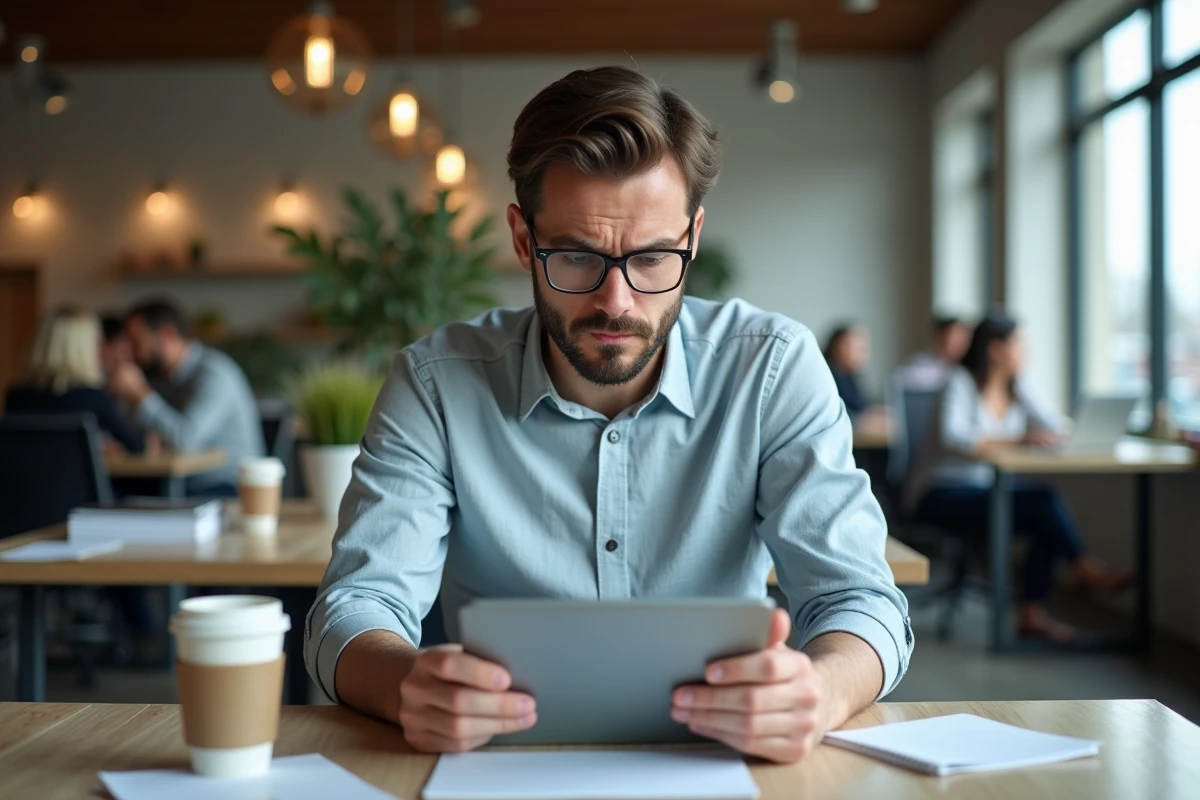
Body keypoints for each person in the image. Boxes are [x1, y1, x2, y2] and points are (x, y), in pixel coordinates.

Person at [306, 66, 912, 765]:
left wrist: (822, 690)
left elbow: (861, 601)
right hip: (495, 767)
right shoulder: (437, 383)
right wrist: (405, 683)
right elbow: (353, 610)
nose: (617, 302)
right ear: (524, 240)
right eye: (577, 256)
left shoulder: (771, 369)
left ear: (692, 235)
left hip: (724, 764)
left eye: (654, 257)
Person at [906, 313, 1131, 642]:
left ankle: (1032, 612)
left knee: (1045, 509)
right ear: (996, 348)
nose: (1026, 351)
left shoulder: (1018, 385)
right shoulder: (960, 380)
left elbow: (1054, 424)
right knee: (1043, 504)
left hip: (987, 488)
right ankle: (1080, 568)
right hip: (940, 493)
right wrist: (1021, 439)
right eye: (1020, 343)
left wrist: (1075, 432)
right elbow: (955, 437)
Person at [108, 297, 263, 495]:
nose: (132, 353)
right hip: (176, 482)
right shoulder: (158, 377)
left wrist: (140, 395)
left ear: (167, 335)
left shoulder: (214, 375)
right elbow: (138, 435)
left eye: (137, 342)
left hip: (225, 486)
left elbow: (185, 440)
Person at [5, 306, 144, 454]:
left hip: (24, 477)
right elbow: (137, 446)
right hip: (79, 477)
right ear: (83, 349)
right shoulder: (93, 398)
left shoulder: (15, 397)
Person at [894, 315, 971, 392]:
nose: (960, 344)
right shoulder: (918, 367)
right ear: (940, 337)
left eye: (964, 339)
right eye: (955, 338)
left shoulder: (966, 370)